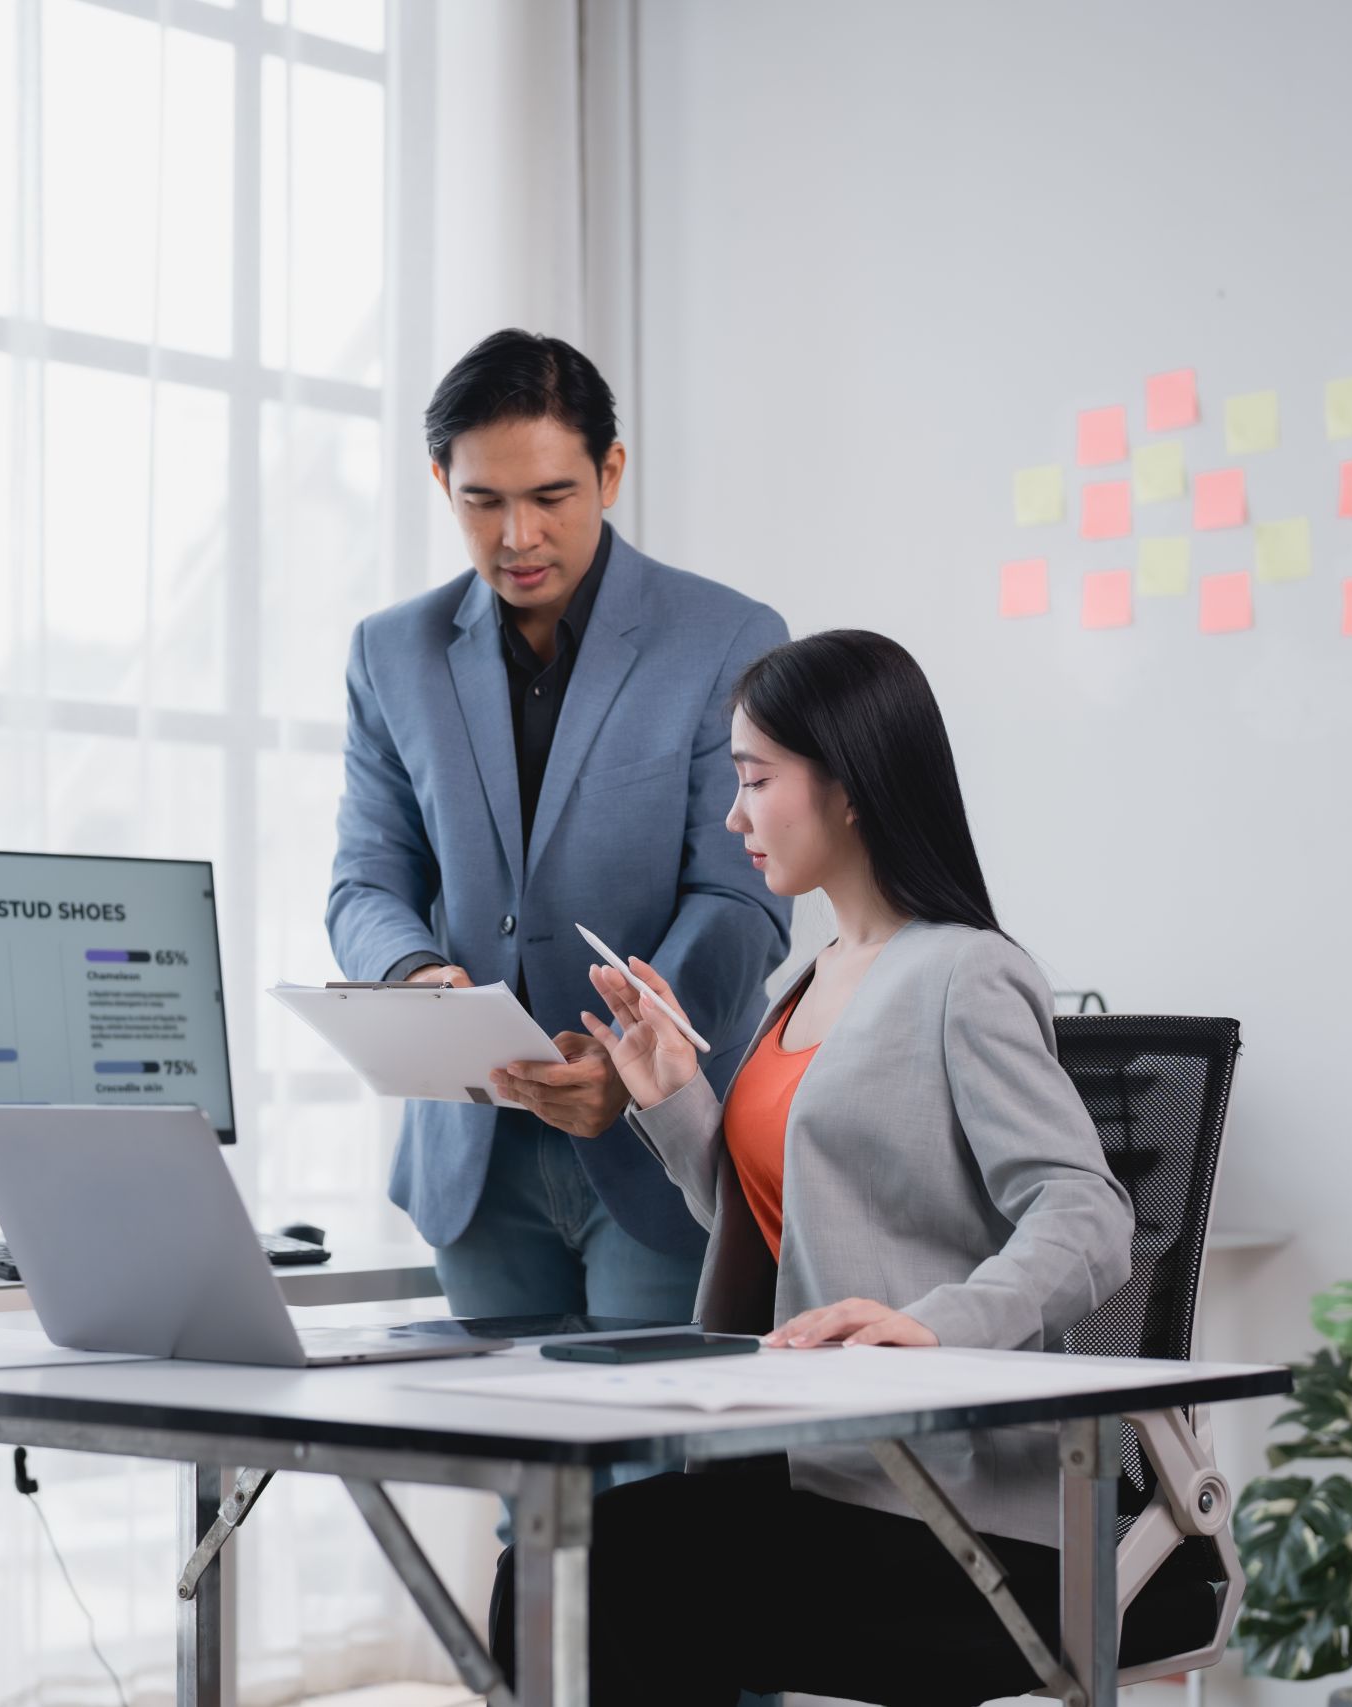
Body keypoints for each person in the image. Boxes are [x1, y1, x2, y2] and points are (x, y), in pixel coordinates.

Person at [488, 630, 1176, 1705]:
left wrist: (938, 1321)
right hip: (799, 1471)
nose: (732, 816)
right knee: (553, 1559)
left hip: (948, 1516)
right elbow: (772, 1220)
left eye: (756, 780)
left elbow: (1087, 1214)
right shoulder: (803, 982)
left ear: (848, 788)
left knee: (604, 1572)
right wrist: (669, 1094)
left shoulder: (966, 973)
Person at [326, 328, 790, 1337]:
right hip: (474, 1155)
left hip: (661, 1145)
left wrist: (629, 1063)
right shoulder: (390, 652)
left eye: (549, 497)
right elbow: (365, 880)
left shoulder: (727, 638)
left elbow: (742, 897)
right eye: (481, 501)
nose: (516, 538)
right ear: (441, 479)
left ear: (609, 471)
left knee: (649, 1486)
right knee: (509, 1474)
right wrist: (416, 979)